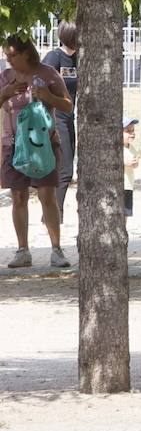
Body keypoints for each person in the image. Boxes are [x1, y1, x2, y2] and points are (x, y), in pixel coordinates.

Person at [1, 34, 73, 269]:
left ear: (26, 53)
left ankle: (56, 249)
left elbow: (67, 104)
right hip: (13, 145)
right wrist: (7, 92)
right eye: (7, 55)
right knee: (18, 196)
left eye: (13, 55)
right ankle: (23, 250)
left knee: (46, 196)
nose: (9, 59)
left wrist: (48, 96)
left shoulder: (48, 73)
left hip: (42, 145)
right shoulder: (6, 77)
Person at [40, 22, 78, 220]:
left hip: (69, 117)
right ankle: (55, 214)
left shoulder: (78, 59)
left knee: (65, 167)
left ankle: (51, 212)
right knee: (65, 169)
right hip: (54, 118)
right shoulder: (54, 58)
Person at [122, 118, 139, 217]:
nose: (132, 134)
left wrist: (135, 163)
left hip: (128, 185)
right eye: (128, 131)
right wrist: (125, 162)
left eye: (133, 131)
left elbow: (135, 163)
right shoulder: (118, 149)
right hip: (121, 185)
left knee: (126, 212)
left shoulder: (132, 148)